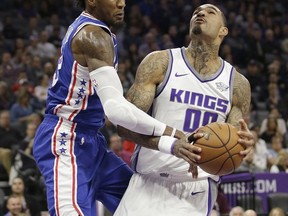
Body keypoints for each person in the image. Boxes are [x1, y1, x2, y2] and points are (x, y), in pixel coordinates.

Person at [33, 0, 199, 215]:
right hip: (65, 138)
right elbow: (116, 110)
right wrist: (174, 134)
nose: (122, 3)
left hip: (92, 143)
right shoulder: (92, 35)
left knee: (148, 208)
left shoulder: (100, 32)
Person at [114, 4, 254, 216]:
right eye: (197, 10)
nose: (201, 13)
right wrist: (171, 146)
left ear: (223, 31)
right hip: (147, 181)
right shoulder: (160, 62)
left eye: (210, 12)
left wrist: (243, 146)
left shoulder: (237, 84)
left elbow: (233, 146)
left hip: (196, 189)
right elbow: (124, 126)